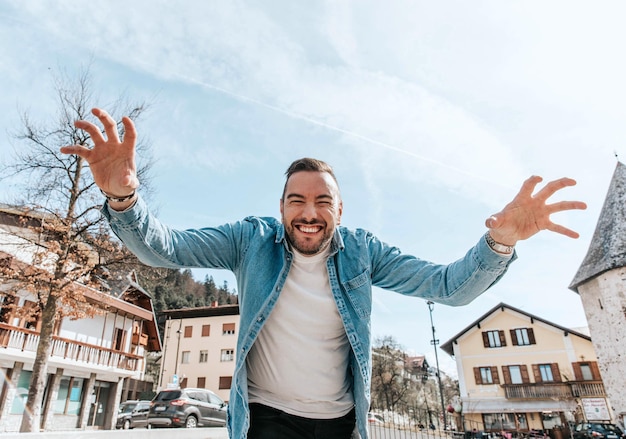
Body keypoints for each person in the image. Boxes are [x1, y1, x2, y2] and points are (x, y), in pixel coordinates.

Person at [61, 108, 586, 439]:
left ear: (341, 209)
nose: (308, 212)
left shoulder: (362, 252)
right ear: (281, 206)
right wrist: (123, 198)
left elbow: (447, 287)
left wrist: (500, 242)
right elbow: (164, 249)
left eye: (322, 201)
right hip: (265, 419)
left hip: (339, 423)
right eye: (297, 200)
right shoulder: (251, 240)